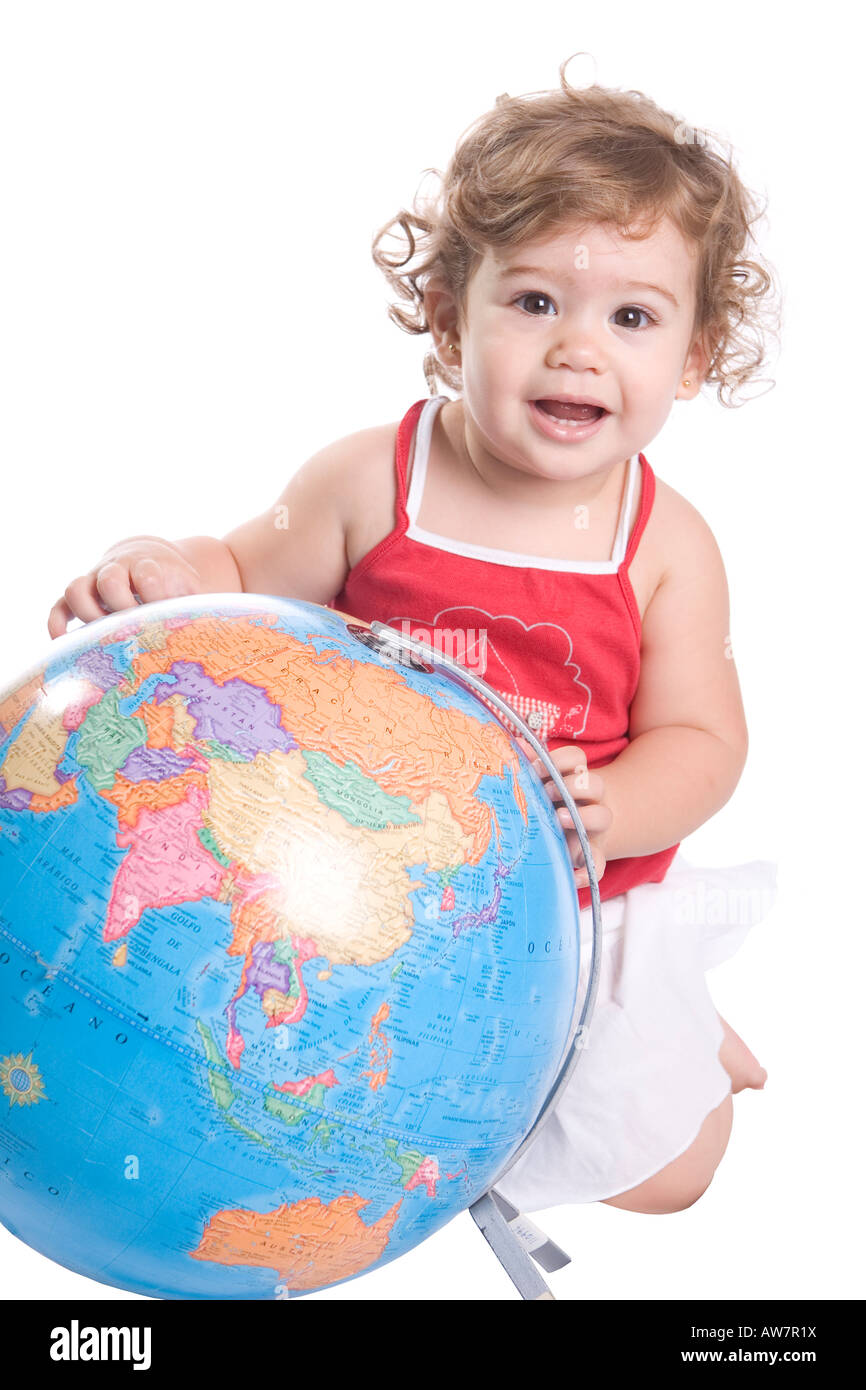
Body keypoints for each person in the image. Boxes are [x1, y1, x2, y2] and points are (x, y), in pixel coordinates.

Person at [46, 57, 779, 1217]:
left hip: (555, 906)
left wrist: (621, 811)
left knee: (670, 1175)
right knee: (230, 1037)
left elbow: (703, 737)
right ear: (448, 315)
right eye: (533, 303)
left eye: (631, 318)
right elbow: (243, 576)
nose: (577, 348)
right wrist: (167, 568)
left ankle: (679, 1017)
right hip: (343, 872)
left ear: (690, 357)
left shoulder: (663, 545)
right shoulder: (373, 477)